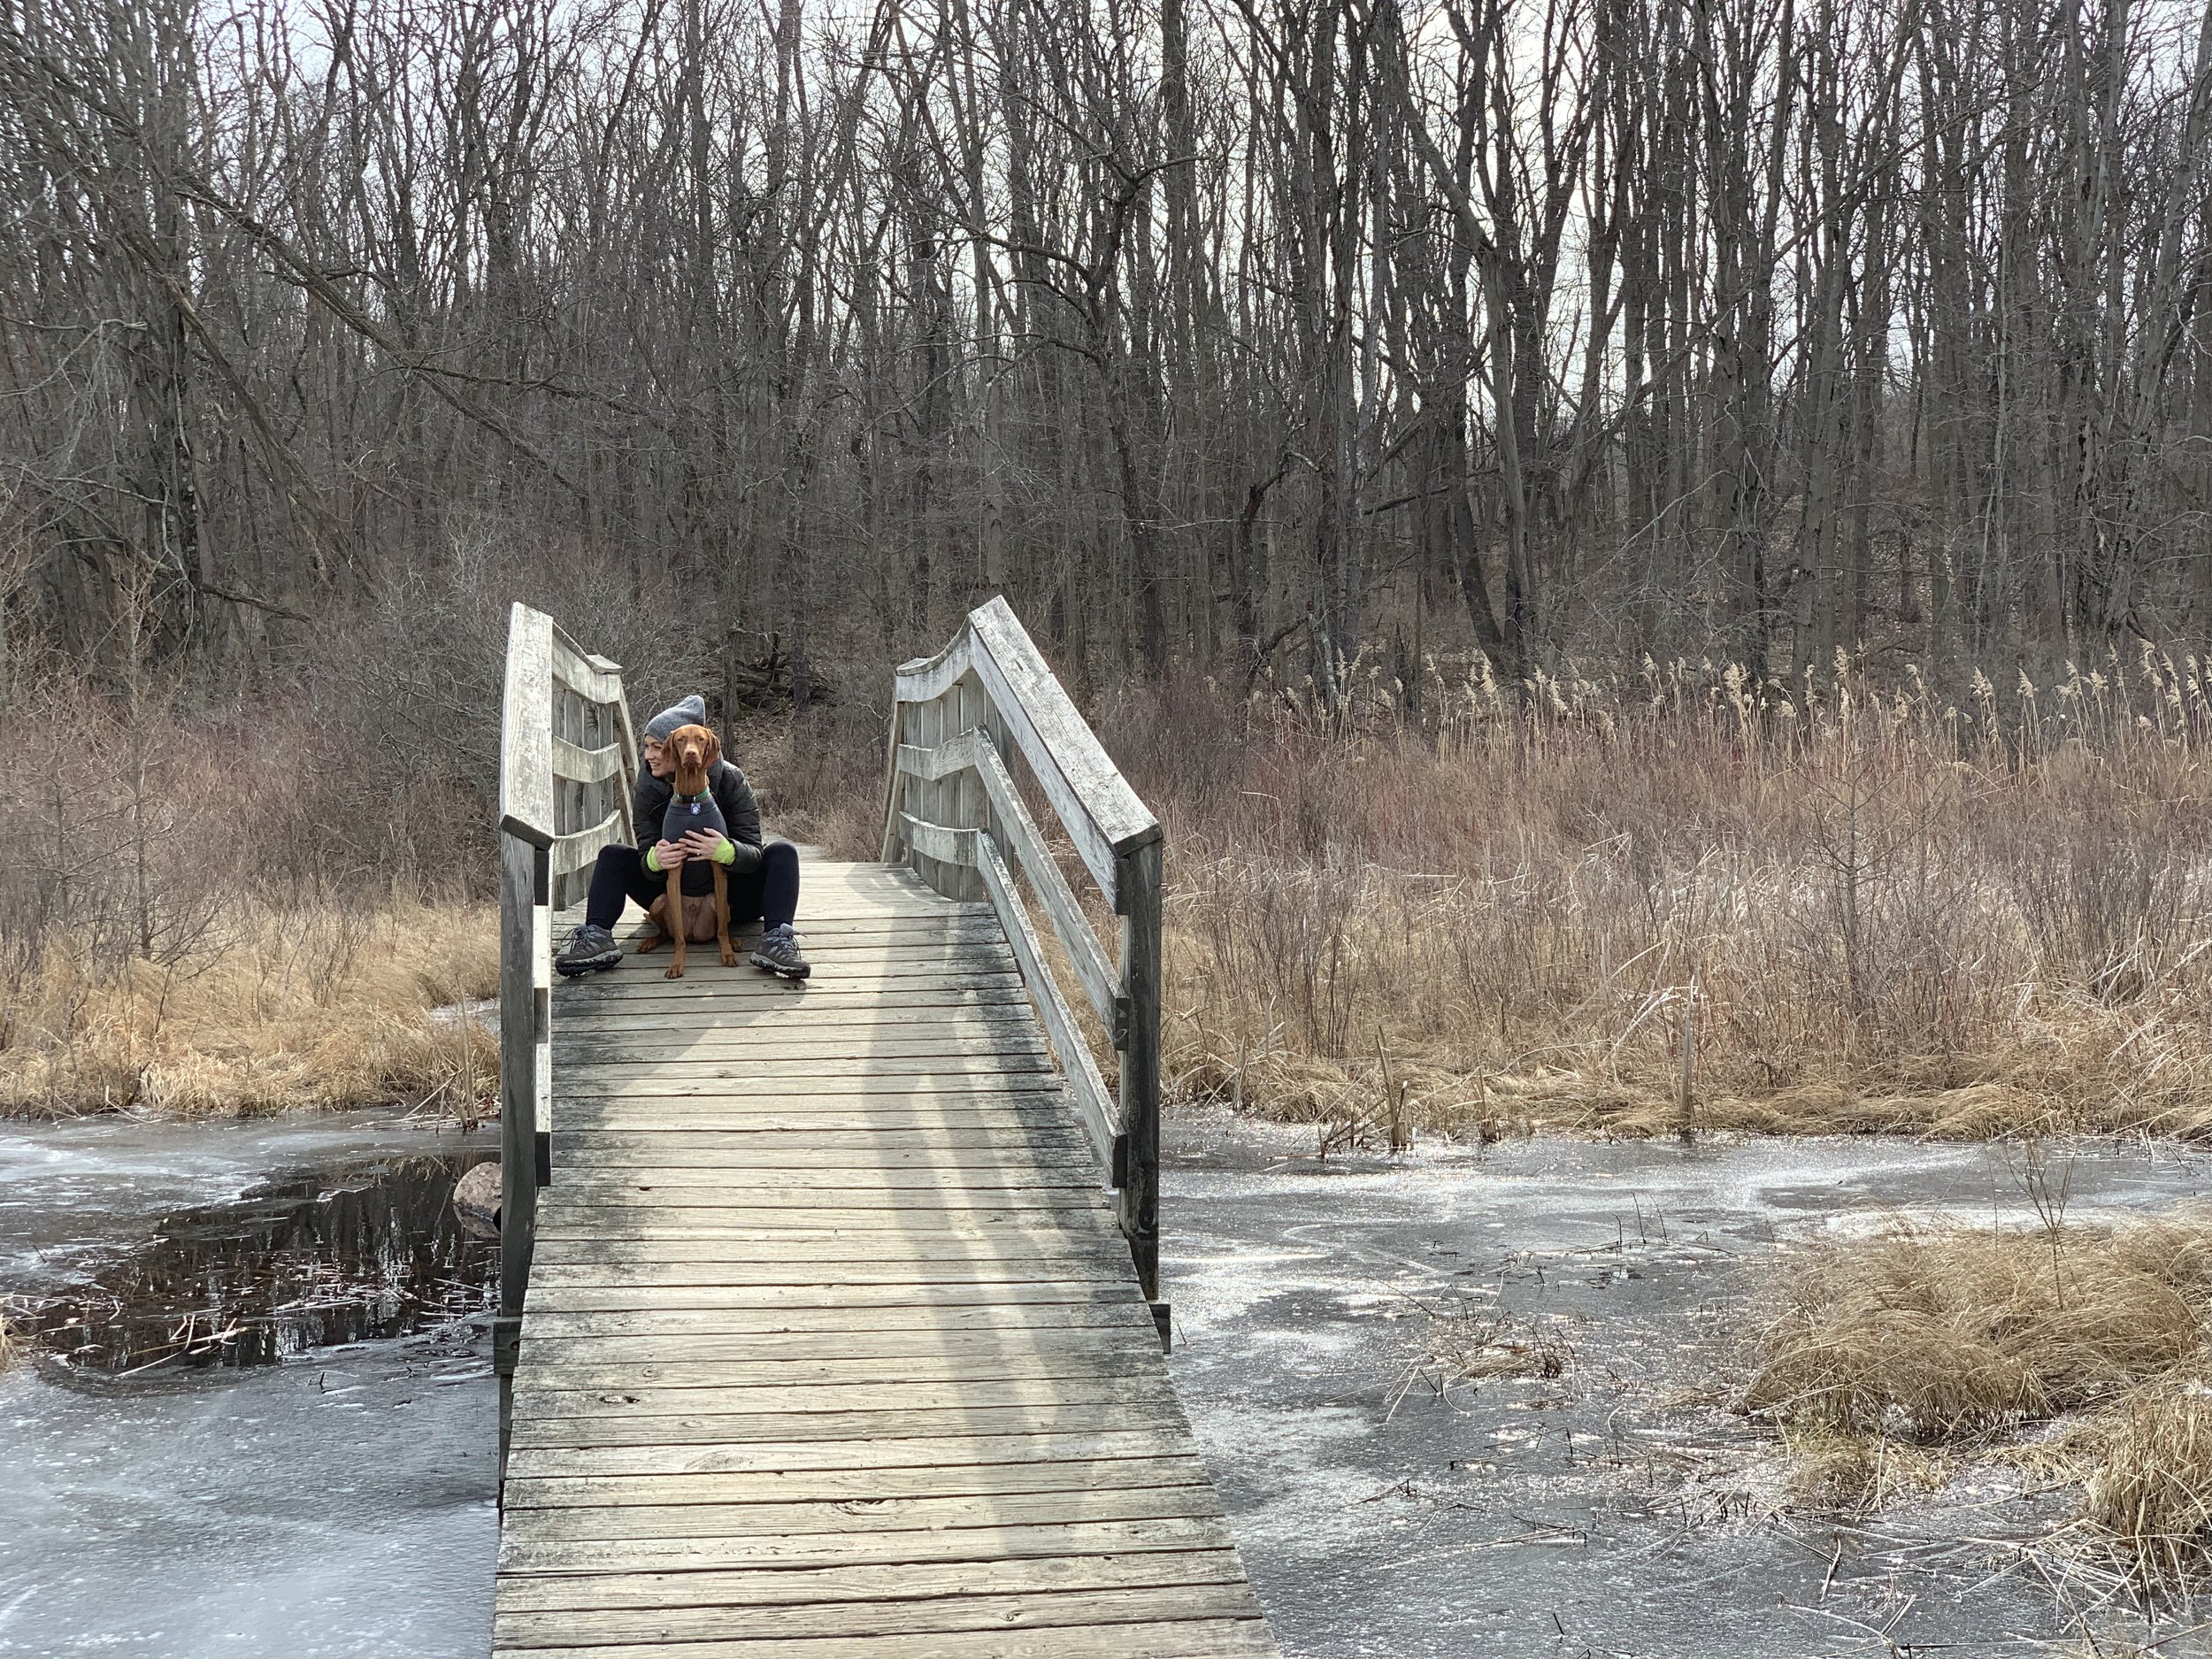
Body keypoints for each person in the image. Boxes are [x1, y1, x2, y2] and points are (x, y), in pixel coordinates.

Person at [553, 695, 810, 978]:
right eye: (646, 747)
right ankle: (597, 938)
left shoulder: (732, 780)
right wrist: (653, 859)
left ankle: (776, 940)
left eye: (656, 747)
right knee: (613, 855)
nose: (649, 755)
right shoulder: (648, 787)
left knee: (783, 852)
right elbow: (645, 853)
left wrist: (728, 851)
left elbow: (754, 852)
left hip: (732, 893)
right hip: (671, 890)